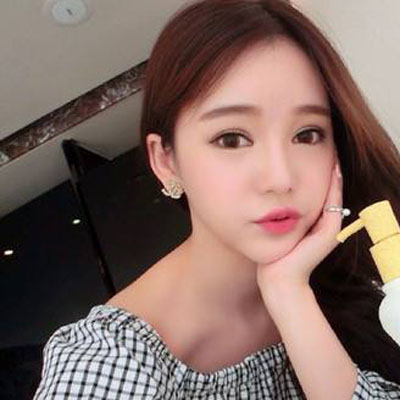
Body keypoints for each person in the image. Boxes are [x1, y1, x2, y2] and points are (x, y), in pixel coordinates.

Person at [34, 0, 400, 398]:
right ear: (166, 161)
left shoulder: (365, 281)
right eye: (231, 139)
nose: (280, 178)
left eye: (307, 134)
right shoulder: (106, 364)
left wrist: (289, 295)